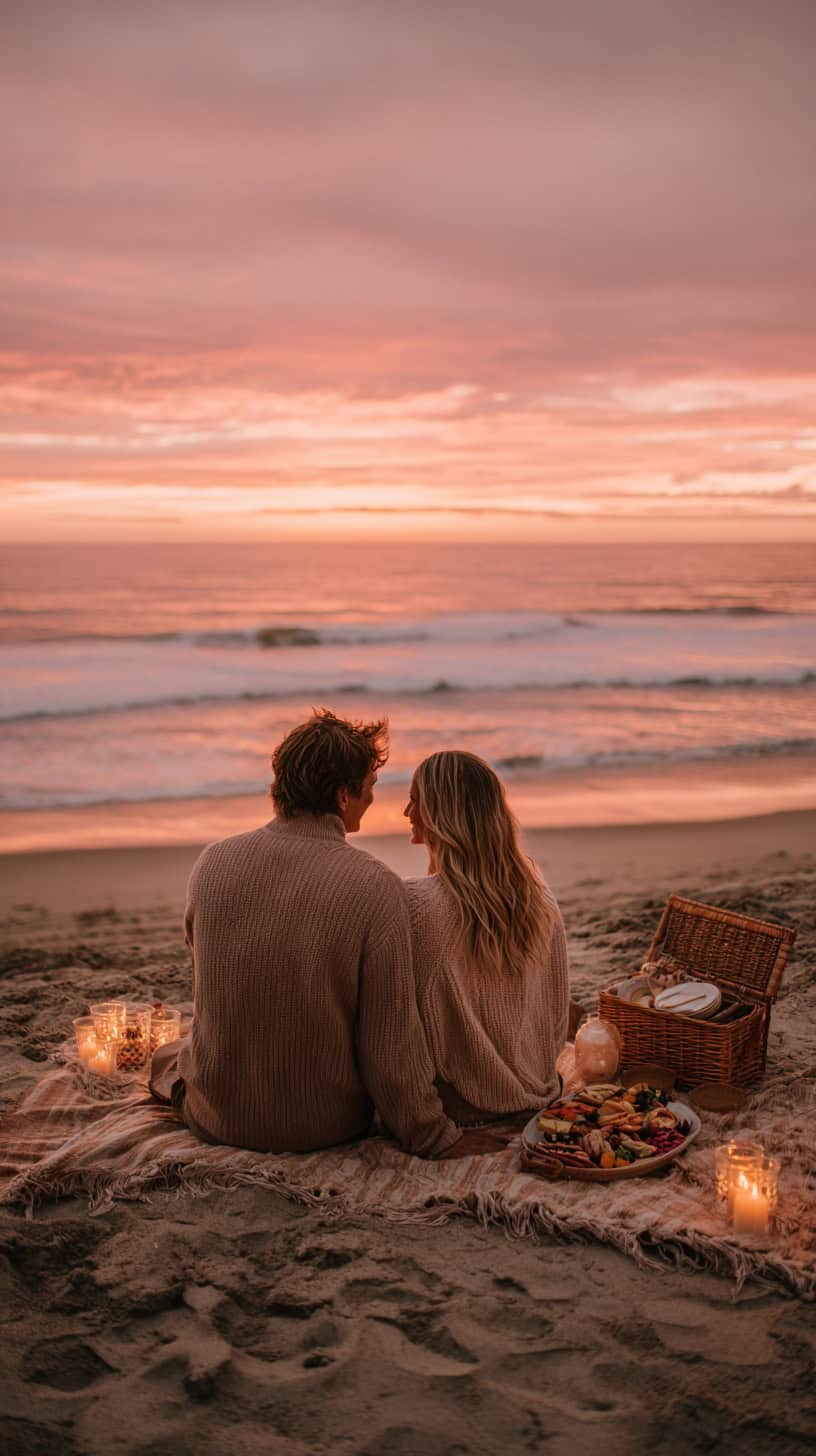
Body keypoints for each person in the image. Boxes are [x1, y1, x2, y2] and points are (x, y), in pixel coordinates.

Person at [151, 710, 499, 1157]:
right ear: (342, 796)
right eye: (370, 788)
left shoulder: (212, 863)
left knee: (169, 1055)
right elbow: (390, 1046)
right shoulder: (376, 885)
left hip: (216, 1118)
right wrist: (432, 1135)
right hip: (323, 1127)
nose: (374, 801)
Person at [403, 751, 570, 1124]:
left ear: (438, 812)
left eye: (415, 800)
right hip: (542, 1087)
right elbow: (557, 1014)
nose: (406, 812)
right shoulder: (541, 899)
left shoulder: (415, 902)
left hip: (462, 1106)